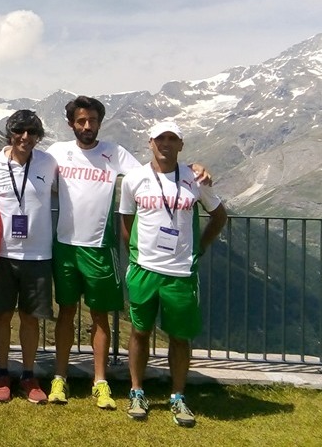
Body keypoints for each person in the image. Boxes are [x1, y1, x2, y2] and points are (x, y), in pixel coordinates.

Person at [0, 96, 212, 410]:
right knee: (65, 314)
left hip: (100, 249)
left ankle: (100, 381)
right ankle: (59, 378)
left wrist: (192, 168)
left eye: (92, 120)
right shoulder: (55, 154)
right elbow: (23, 168)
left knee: (100, 317)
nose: (87, 126)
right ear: (71, 124)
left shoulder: (115, 153)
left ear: (100, 123)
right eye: (81, 121)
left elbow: (155, 171)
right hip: (63, 247)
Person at [119, 121, 227, 427]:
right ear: (150, 143)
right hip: (144, 270)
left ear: (181, 145)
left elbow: (219, 215)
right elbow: (125, 221)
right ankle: (136, 390)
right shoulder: (134, 179)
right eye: (160, 138)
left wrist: (200, 249)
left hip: (180, 273)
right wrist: (136, 255)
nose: (165, 143)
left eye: (172, 139)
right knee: (139, 332)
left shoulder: (195, 179)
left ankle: (178, 396)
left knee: (180, 337)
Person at [0, 109, 58, 404]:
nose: (26, 138)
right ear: (10, 133)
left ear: (38, 136)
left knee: (30, 318)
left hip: (38, 254)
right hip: (1, 253)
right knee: (1, 315)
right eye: (19, 131)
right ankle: (2, 372)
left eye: (32, 133)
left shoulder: (49, 162)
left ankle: (28, 374)